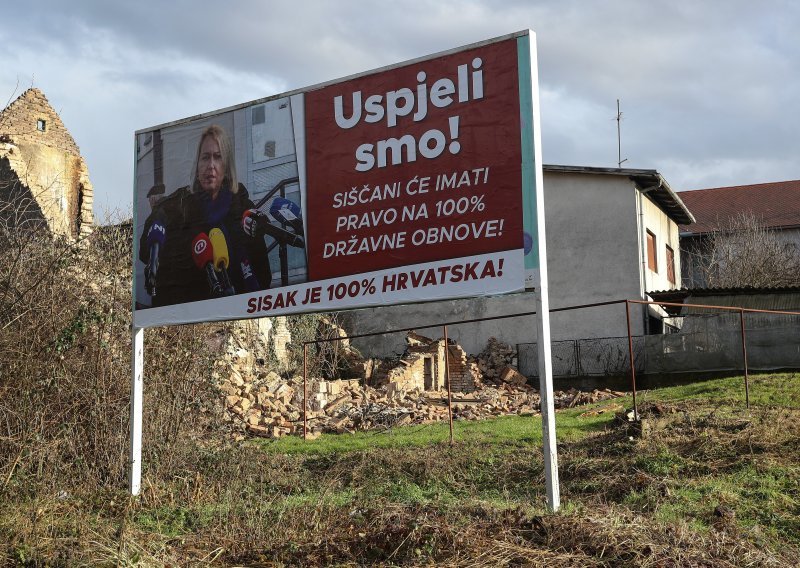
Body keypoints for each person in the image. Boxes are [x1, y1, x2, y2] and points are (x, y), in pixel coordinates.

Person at [139, 124, 271, 307]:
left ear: (227, 165)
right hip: (191, 317)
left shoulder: (243, 208)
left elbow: (262, 272)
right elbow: (146, 251)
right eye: (205, 157)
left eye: (218, 157)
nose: (211, 165)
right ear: (197, 164)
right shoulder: (179, 204)